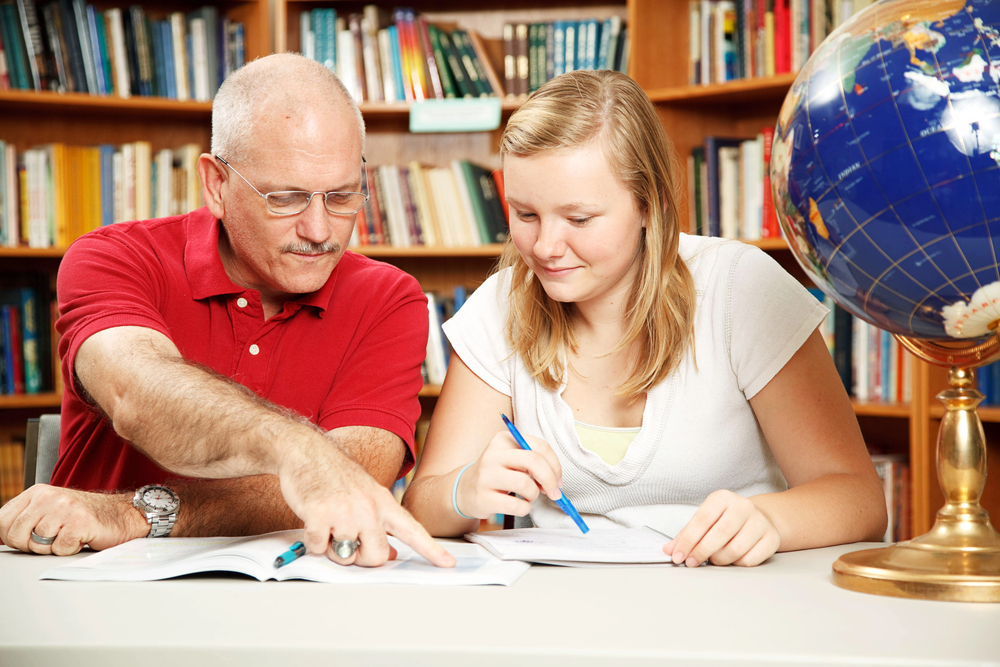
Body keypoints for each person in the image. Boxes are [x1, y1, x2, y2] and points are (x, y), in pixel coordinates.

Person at [402, 70, 886, 567]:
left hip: (725, 596)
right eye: (525, 214)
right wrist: (464, 490)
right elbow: (421, 506)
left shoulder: (739, 289)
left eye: (579, 219)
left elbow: (861, 501)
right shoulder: (499, 306)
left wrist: (771, 519)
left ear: (650, 205)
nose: (545, 247)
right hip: (559, 604)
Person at [0, 53, 454, 569]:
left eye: (342, 196)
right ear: (217, 184)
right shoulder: (114, 257)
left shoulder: (389, 296)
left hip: (297, 592)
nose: (319, 230)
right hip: (94, 582)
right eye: (285, 198)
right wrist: (297, 447)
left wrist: (137, 514)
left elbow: (351, 477)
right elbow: (136, 393)